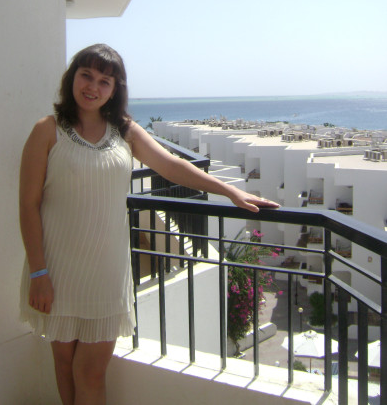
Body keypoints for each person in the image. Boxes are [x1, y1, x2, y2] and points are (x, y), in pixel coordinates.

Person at [19, 43, 279, 405]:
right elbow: (28, 205)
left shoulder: (123, 130)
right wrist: (38, 273)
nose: (93, 86)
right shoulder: (47, 130)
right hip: (56, 267)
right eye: (86, 75)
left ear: (115, 89)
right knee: (64, 364)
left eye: (105, 81)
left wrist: (229, 191)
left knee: (90, 372)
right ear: (72, 78)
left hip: (107, 271)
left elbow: (171, 165)